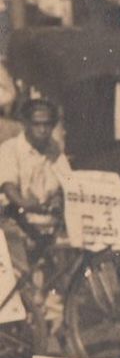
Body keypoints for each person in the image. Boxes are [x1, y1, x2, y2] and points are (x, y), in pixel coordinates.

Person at [0, 99, 72, 270]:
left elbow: (68, 180)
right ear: (26, 124)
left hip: (47, 220)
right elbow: (8, 185)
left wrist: (60, 197)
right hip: (15, 219)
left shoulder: (54, 149)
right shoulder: (10, 148)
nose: (42, 129)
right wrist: (24, 203)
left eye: (47, 124)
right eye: (37, 124)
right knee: (23, 270)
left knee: (63, 266)